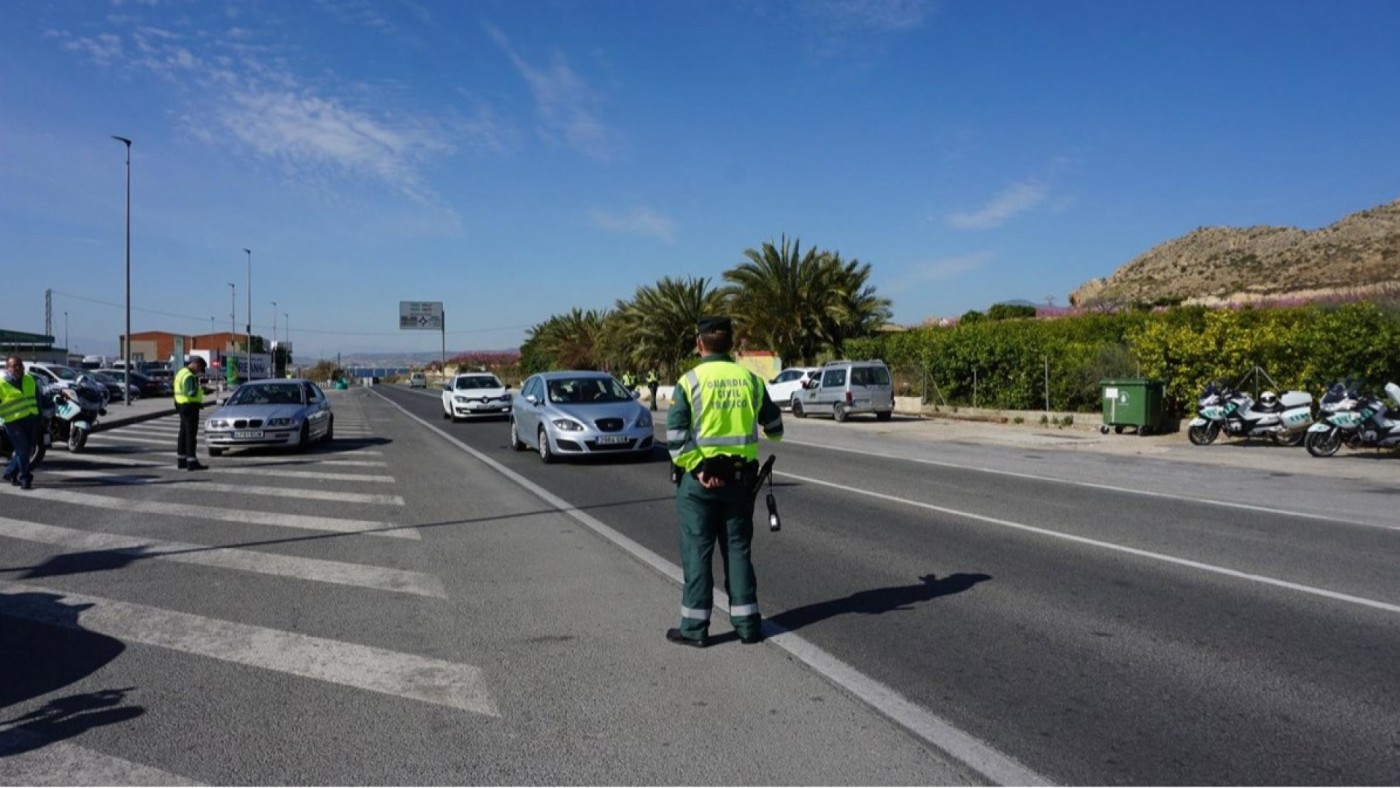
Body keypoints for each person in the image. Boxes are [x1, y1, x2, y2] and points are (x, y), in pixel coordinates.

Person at [665, 316, 784, 648]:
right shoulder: (751, 381)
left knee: (697, 553)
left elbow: (674, 439)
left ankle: (694, 629)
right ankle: (748, 626)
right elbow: (776, 429)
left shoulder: (689, 382)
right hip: (739, 483)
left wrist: (699, 467)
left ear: (699, 344)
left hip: (698, 485)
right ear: (730, 344)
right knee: (738, 550)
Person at [1, 355, 41, 490]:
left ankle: (10, 472)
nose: (17, 368)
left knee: (26, 450)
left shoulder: (30, 379)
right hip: (13, 422)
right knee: (23, 448)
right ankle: (25, 477)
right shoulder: (1, 384)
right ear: (7, 368)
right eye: (14, 366)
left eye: (20, 365)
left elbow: (37, 399)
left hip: (30, 419)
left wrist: (40, 417)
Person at [174, 355, 207, 471]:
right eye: (200, 369)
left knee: (183, 434)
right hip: (190, 407)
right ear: (197, 364)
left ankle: (181, 460)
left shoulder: (181, 373)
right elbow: (191, 392)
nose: (199, 372)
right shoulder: (189, 376)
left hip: (181, 405)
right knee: (190, 435)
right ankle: (192, 462)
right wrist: (202, 390)